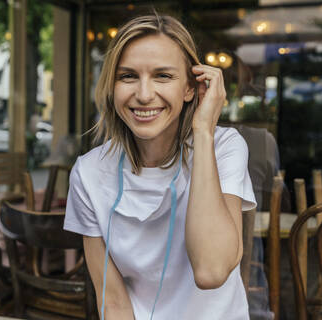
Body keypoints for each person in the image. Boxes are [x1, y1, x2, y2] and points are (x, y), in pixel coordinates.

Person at [64, 14, 256, 320]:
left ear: (191, 88)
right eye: (127, 76)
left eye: (163, 76)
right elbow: (112, 302)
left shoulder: (223, 147)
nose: (143, 94)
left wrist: (203, 132)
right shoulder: (88, 173)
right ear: (112, 87)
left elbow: (211, 271)